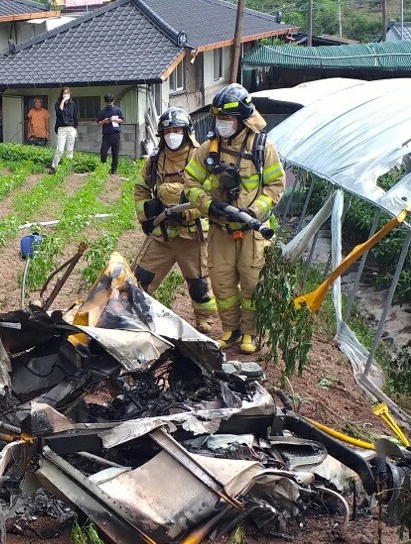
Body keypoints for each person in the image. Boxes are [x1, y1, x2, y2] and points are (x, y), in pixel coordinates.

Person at [184, 84, 286, 354]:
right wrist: (208, 205)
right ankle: (231, 330)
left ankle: (250, 333)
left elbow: (275, 186)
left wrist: (254, 212)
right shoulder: (209, 148)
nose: (222, 124)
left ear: (241, 119)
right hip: (220, 228)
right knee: (222, 281)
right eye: (218, 119)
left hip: (252, 231)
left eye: (227, 119)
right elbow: (190, 181)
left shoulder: (263, 147)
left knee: (251, 282)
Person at [133, 107, 216, 332]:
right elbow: (141, 189)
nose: (173, 134)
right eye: (168, 130)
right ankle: (131, 314)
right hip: (163, 235)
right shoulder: (154, 160)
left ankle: (204, 319)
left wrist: (188, 211)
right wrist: (146, 218)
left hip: (192, 235)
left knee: (199, 284)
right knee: (141, 279)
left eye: (177, 129)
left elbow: (211, 195)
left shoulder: (201, 157)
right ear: (161, 134)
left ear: (187, 131)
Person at [49, 86, 77, 174]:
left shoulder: (73, 104)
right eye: (64, 93)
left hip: (71, 128)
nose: (66, 95)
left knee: (70, 149)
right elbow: (59, 113)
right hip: (62, 128)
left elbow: (75, 117)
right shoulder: (58, 103)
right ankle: (54, 166)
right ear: (62, 94)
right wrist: (63, 101)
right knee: (60, 149)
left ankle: (68, 167)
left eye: (67, 93)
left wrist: (76, 129)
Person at [97, 93, 124, 174]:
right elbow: (98, 123)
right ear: (106, 102)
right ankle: (103, 167)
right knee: (103, 151)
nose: (110, 104)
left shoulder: (117, 110)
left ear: (113, 101)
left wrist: (115, 120)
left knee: (115, 152)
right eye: (108, 102)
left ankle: (114, 169)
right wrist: (104, 121)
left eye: (111, 102)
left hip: (115, 133)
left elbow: (122, 120)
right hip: (106, 134)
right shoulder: (102, 111)